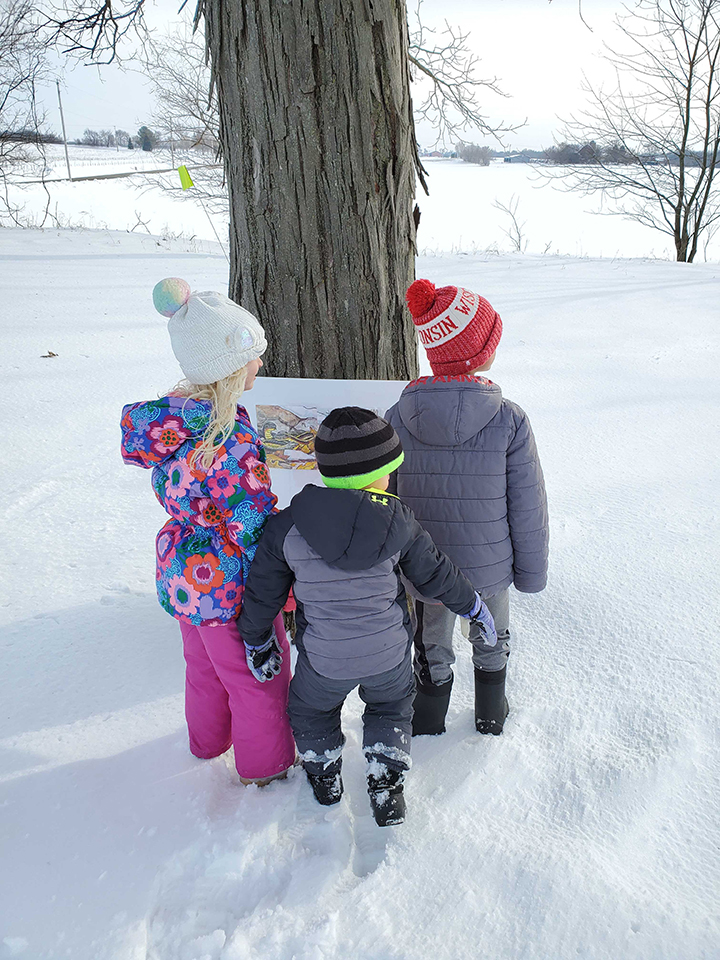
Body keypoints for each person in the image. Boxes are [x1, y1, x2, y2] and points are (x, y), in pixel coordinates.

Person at [237, 407, 496, 826]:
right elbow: (437, 574)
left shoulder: (287, 527)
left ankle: (323, 774)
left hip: (324, 660)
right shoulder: (399, 522)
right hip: (389, 655)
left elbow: (263, 591)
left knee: (309, 710)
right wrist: (473, 606)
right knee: (392, 708)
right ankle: (386, 780)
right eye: (389, 471)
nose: (391, 480)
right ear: (378, 474)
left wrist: (256, 639)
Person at [120, 277, 295, 785]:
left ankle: (207, 743)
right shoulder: (228, 437)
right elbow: (250, 518)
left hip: (184, 573)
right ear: (228, 369)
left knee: (202, 667)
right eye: (252, 356)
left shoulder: (175, 423)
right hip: (229, 581)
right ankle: (267, 768)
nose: (259, 364)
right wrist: (281, 570)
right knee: (256, 679)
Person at [385, 278, 549, 738]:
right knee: (491, 635)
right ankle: (491, 714)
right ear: (479, 355)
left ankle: (430, 718)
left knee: (431, 642)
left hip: (425, 568)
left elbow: (388, 498)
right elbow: (528, 506)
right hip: (489, 566)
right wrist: (531, 572)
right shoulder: (509, 419)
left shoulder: (400, 415)